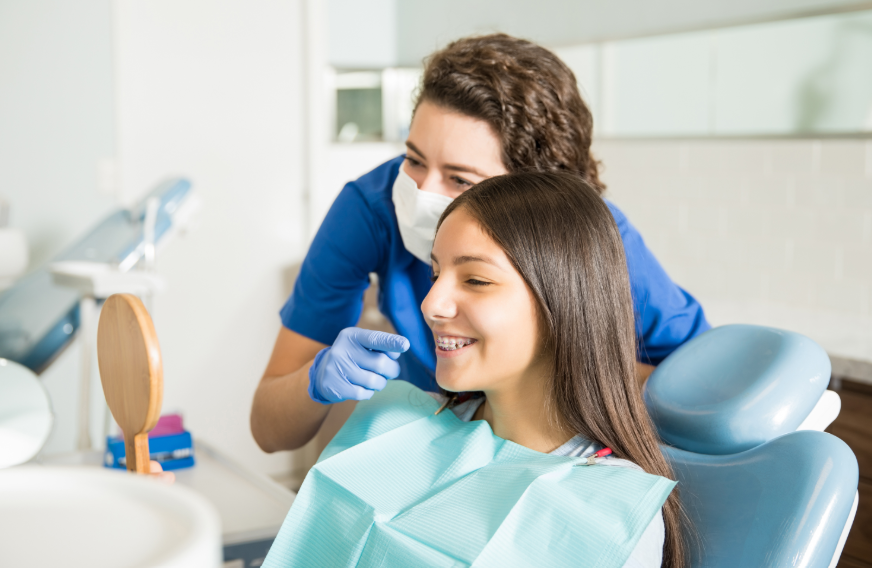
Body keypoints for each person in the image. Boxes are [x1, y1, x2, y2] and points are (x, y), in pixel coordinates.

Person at [251, 33, 710, 454]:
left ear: (538, 201)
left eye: (460, 178)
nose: (421, 192)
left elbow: (707, 399)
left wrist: (569, 368)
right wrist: (317, 381)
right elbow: (270, 430)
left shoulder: (594, 243)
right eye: (413, 159)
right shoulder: (373, 209)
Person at [262, 173, 685, 568]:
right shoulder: (396, 425)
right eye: (435, 273)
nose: (431, 304)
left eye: (476, 280)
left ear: (563, 303)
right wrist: (313, 382)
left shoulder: (610, 510)